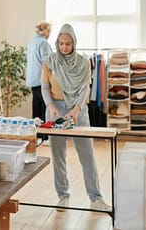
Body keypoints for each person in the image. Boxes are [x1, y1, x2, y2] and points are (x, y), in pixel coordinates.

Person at [41, 23, 110, 211]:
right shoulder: (49, 61)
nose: (64, 47)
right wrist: (51, 106)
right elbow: (45, 87)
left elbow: (84, 88)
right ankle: (62, 195)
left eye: (68, 44)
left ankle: (96, 197)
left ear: (74, 43)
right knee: (58, 155)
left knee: (87, 154)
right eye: (61, 43)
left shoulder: (83, 63)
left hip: (77, 109)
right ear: (57, 42)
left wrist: (77, 108)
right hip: (55, 109)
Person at [26, 20, 52, 121]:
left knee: (36, 109)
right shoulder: (43, 43)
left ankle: (37, 134)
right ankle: (45, 135)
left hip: (33, 80)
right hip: (41, 80)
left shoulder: (32, 41)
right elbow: (48, 62)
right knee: (45, 109)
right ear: (46, 31)